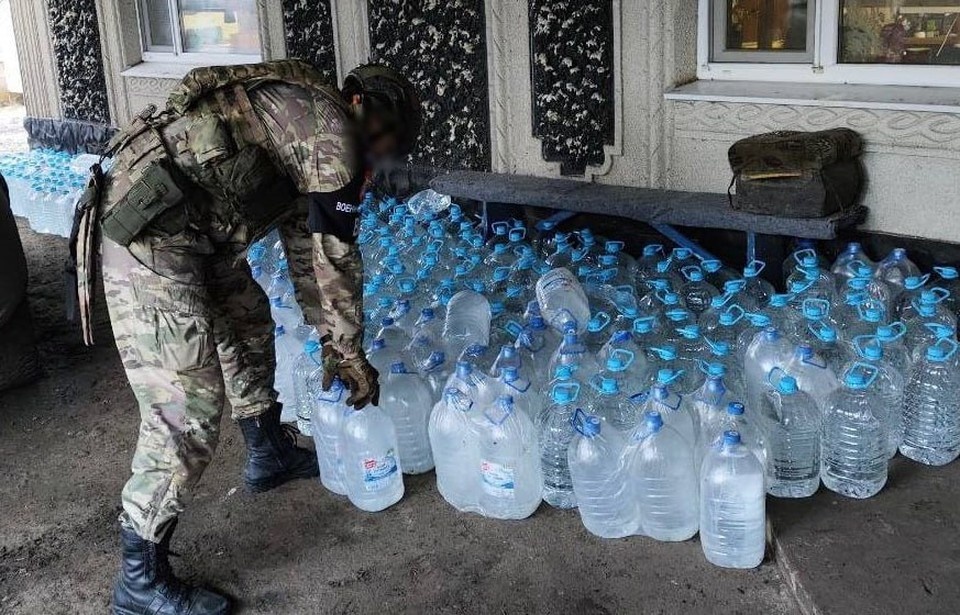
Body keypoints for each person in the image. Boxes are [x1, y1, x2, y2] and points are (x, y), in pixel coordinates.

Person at [73, 60, 420, 614]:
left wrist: (335, 340)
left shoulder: (309, 133)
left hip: (195, 235)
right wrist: (348, 350)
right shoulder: (331, 133)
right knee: (186, 405)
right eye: (380, 142)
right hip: (145, 242)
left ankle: (267, 451)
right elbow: (335, 257)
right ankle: (139, 578)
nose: (375, 160)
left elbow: (307, 253)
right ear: (360, 107)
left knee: (249, 323)